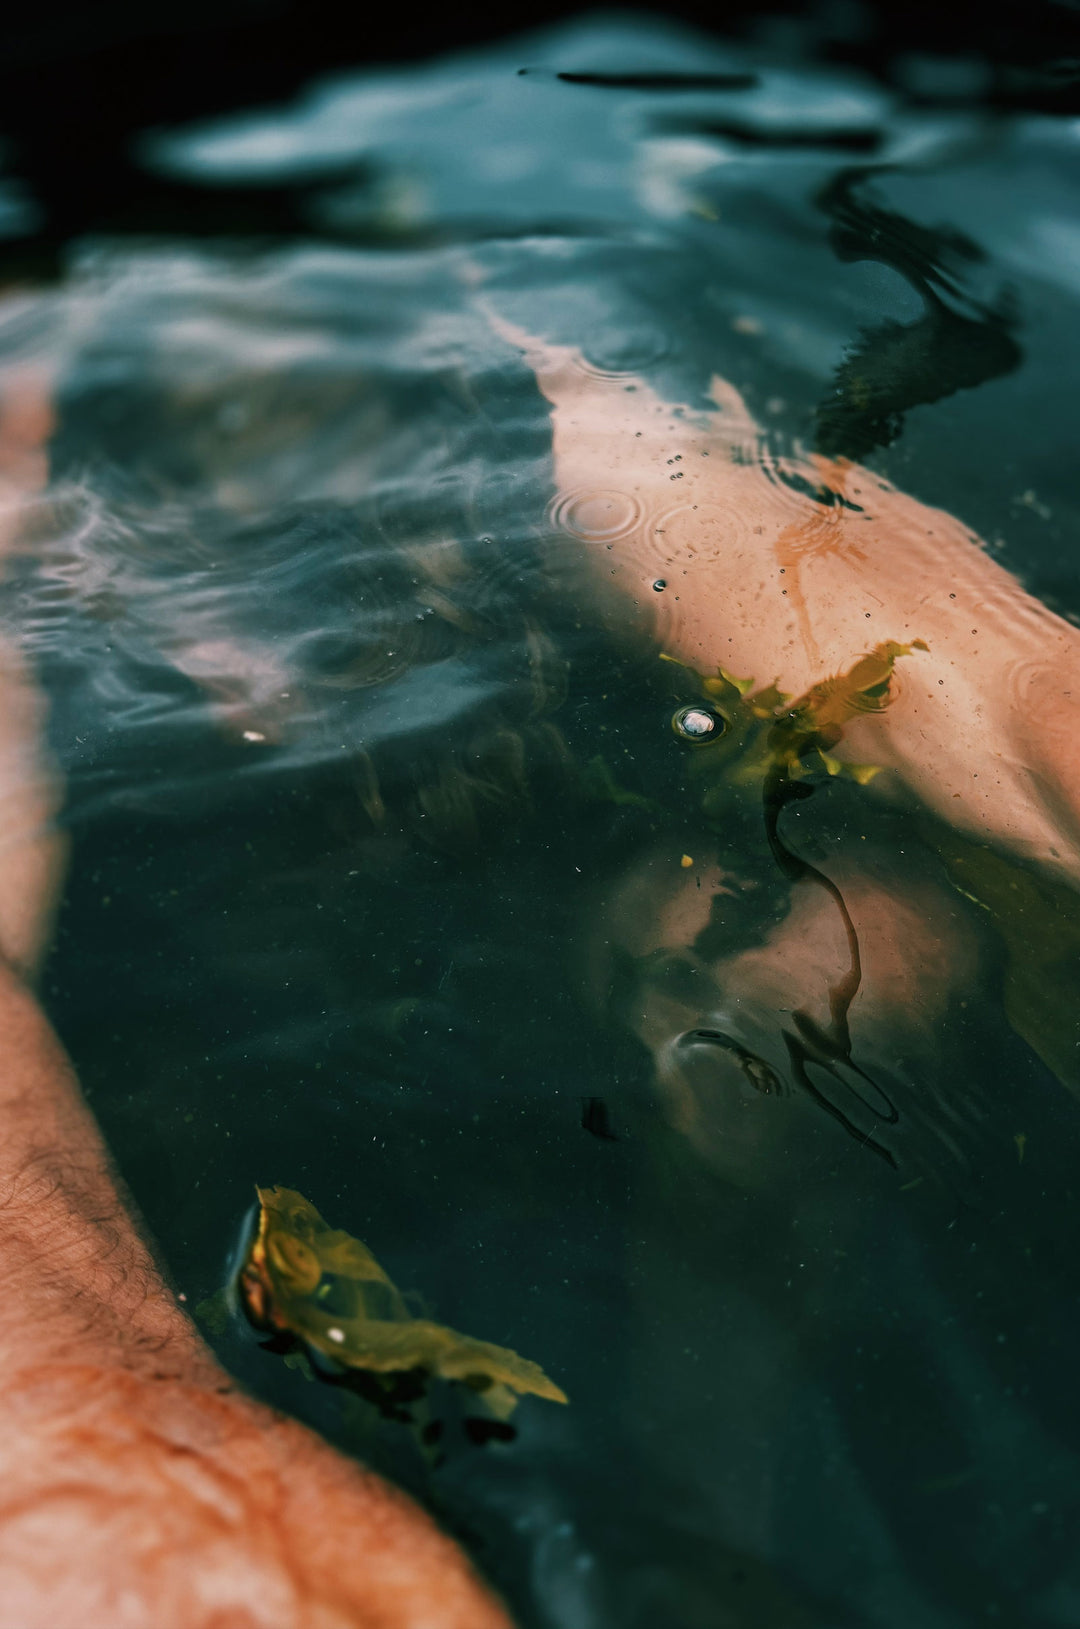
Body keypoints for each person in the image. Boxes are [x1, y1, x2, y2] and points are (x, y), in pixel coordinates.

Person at [0, 292, 1077, 1626]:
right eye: (192, 604)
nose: (250, 698)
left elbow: (1003, 703)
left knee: (830, 960)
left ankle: (701, 1527)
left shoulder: (555, 442)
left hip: (522, 846)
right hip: (173, 946)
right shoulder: (28, 548)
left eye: (328, 600)